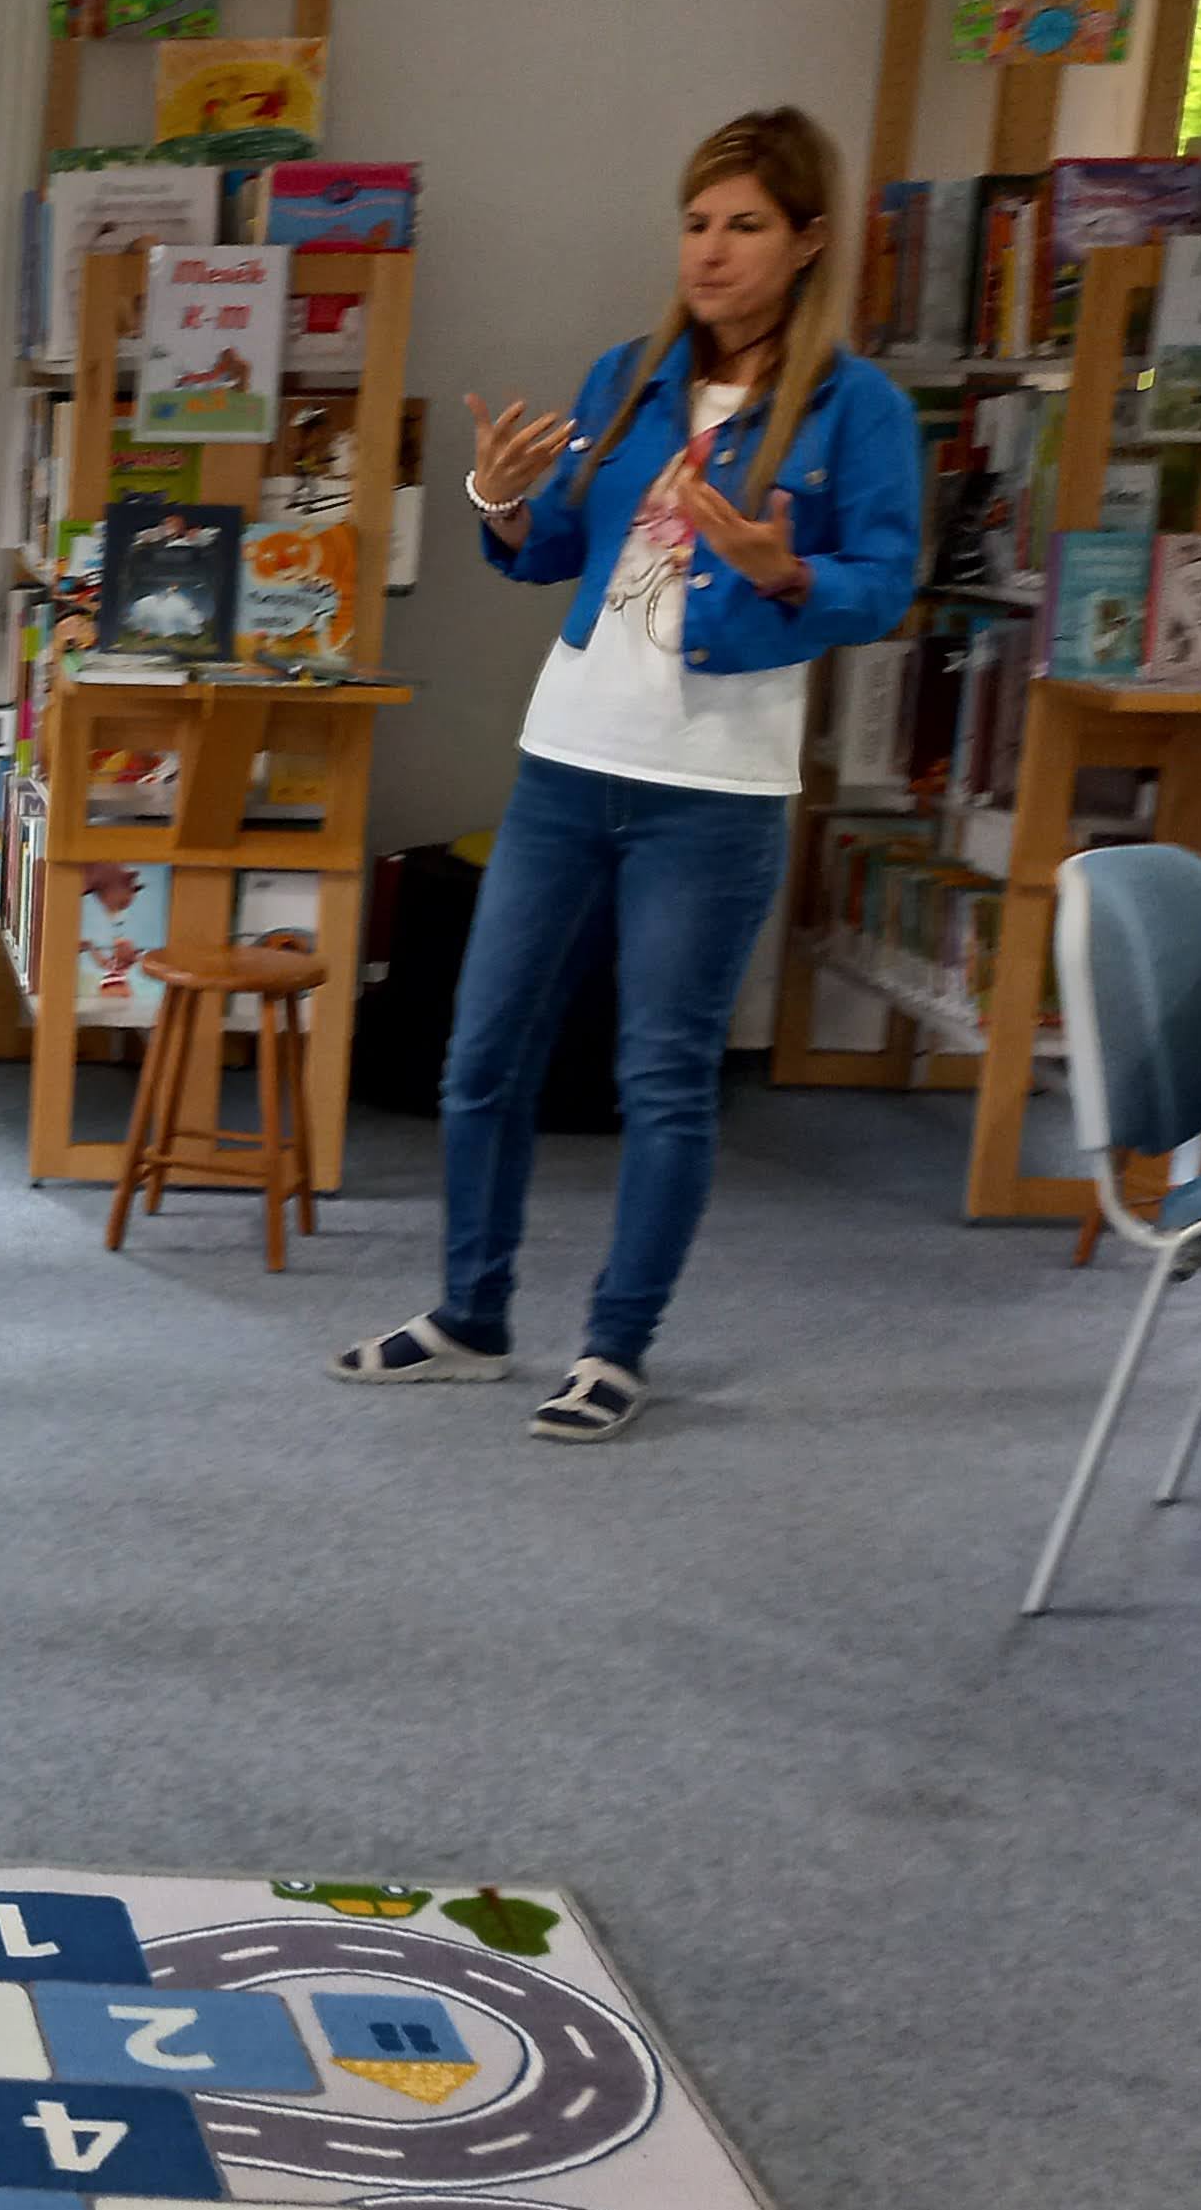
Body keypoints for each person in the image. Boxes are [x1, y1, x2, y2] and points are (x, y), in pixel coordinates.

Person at [333, 106, 919, 1442]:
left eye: (744, 225)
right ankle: (470, 1318)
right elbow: (548, 551)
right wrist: (493, 499)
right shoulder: (628, 377)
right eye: (696, 222)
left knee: (662, 1078)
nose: (709, 250)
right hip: (565, 764)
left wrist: (787, 570)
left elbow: (885, 583)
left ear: (807, 239)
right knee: (481, 1056)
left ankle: (615, 1348)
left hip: (713, 793)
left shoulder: (859, 409)